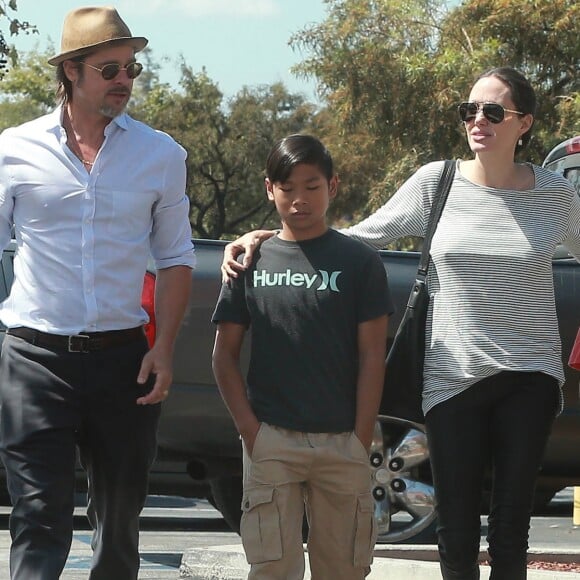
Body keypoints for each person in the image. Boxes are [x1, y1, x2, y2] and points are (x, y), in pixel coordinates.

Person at [221, 68, 580, 579]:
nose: (478, 121)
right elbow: (355, 237)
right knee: (454, 522)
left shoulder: (554, 194)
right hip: (452, 376)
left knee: (511, 520)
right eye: (469, 110)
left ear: (524, 123)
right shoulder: (438, 182)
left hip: (531, 374)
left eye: (493, 112)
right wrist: (268, 236)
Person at [0, 6, 195, 580]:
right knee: (39, 518)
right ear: (72, 72)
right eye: (110, 69)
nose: (124, 81)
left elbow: (177, 258)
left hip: (124, 360)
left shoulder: (161, 155)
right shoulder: (13, 151)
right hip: (34, 359)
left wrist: (164, 349)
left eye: (131, 69)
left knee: (119, 523)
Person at [212, 134, 392, 579]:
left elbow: (373, 355)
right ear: (269, 189)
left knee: (345, 570)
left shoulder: (360, 261)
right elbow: (224, 356)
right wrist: (250, 432)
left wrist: (360, 436)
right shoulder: (248, 261)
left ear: (332, 186)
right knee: (273, 569)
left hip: (342, 444)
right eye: (287, 187)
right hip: (271, 440)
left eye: (312, 186)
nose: (299, 199)